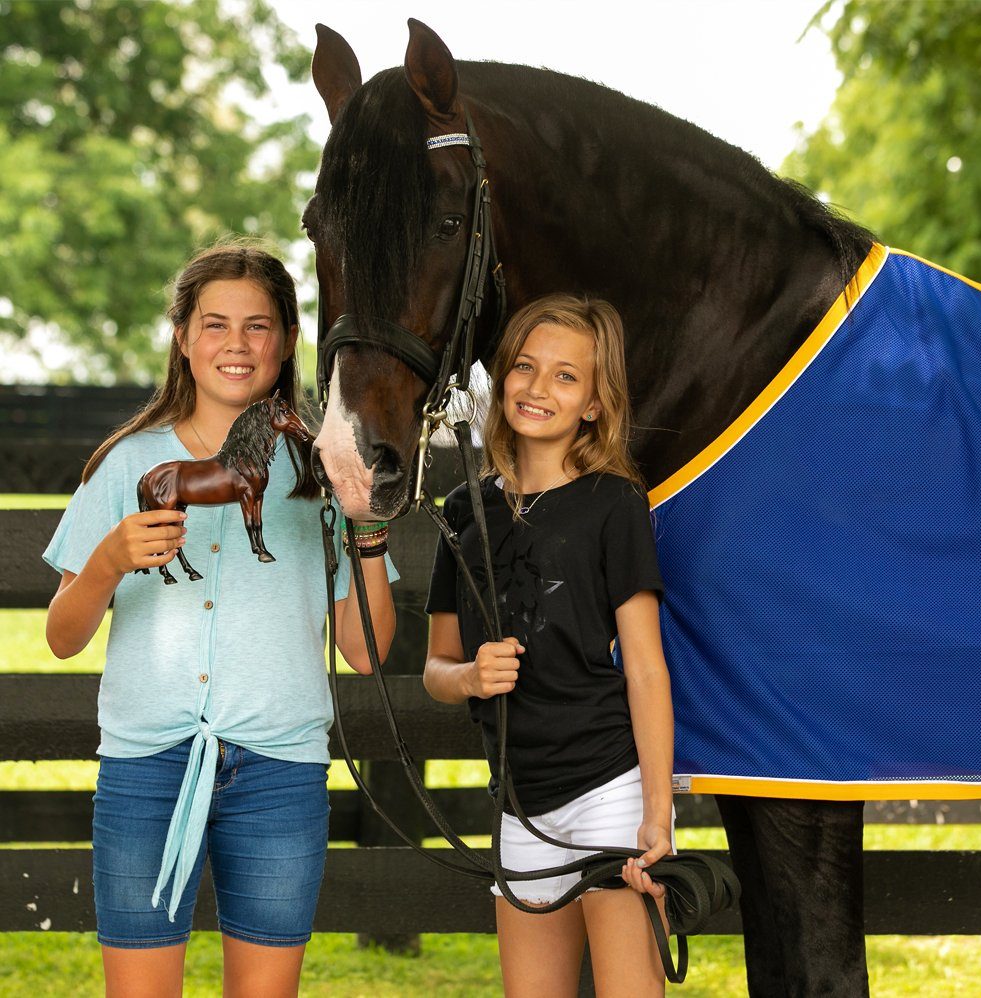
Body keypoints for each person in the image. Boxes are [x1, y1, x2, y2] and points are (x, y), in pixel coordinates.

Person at [43, 241, 397, 997]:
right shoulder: (127, 464)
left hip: (279, 770)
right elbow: (62, 637)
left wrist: (367, 524)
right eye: (215, 324)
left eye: (258, 325)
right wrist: (107, 562)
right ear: (182, 337)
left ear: (289, 341)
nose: (237, 344)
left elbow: (366, 652)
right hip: (147, 765)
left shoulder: (325, 471)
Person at [423, 294, 674, 996]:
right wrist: (469, 677)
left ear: (594, 404)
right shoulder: (462, 513)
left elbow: (646, 670)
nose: (538, 388)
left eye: (567, 376)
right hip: (519, 801)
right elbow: (435, 667)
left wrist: (656, 813)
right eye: (525, 367)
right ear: (501, 376)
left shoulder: (613, 503)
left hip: (609, 790)